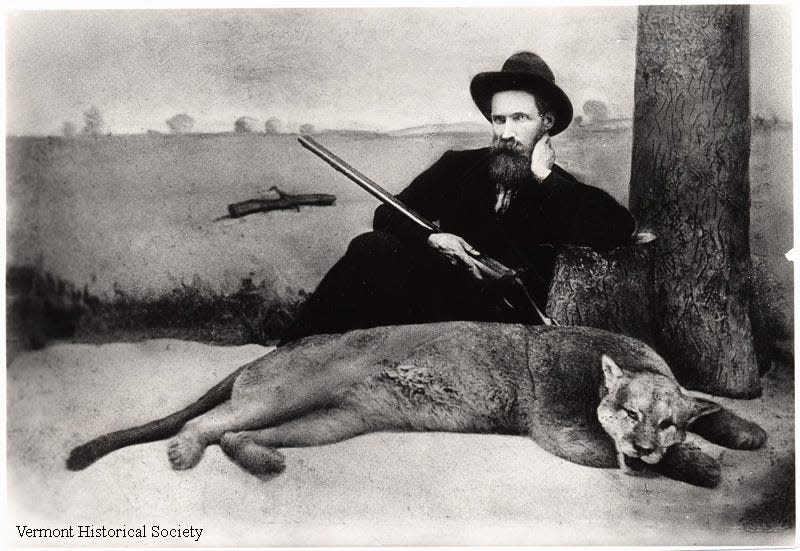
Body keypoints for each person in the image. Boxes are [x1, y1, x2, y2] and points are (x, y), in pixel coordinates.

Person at [279, 51, 635, 344]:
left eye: (520, 118)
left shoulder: (559, 186)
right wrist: (433, 238)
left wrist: (543, 177)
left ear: (547, 122)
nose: (507, 133)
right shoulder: (459, 166)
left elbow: (616, 229)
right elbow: (387, 214)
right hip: (437, 300)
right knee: (371, 247)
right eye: (499, 120)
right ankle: (291, 352)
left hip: (502, 322)